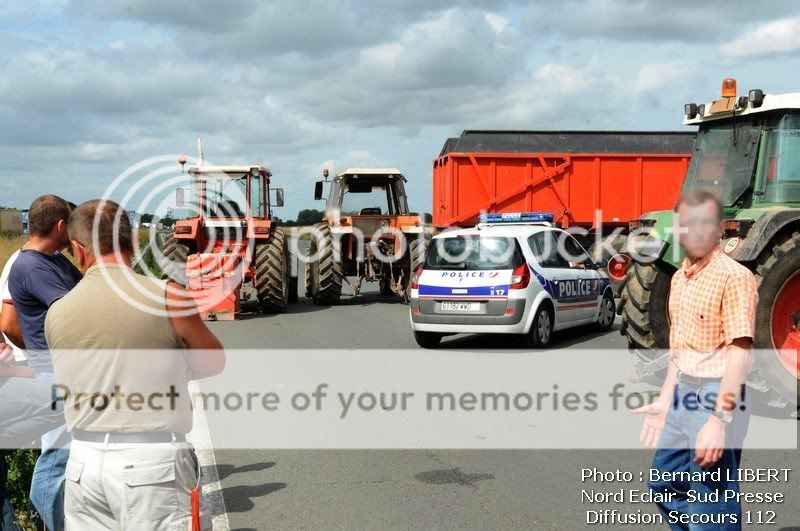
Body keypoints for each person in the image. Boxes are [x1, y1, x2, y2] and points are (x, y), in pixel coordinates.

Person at [45, 200, 224, 530]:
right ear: (130, 243)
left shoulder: (57, 312)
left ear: (77, 250)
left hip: (83, 465)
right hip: (152, 465)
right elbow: (213, 360)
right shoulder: (169, 296)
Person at [632, 189, 758, 530]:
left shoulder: (734, 277)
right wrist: (663, 400)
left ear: (720, 228)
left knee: (710, 503)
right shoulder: (679, 278)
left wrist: (719, 421)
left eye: (705, 223)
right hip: (682, 394)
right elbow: (679, 348)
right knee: (663, 485)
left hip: (716, 396)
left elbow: (740, 354)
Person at [6, 195, 81, 531]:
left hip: (60, 369)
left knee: (65, 452)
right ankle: (48, 521)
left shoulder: (52, 260)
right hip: (53, 370)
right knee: (57, 456)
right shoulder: (33, 266)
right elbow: (75, 312)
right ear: (60, 225)